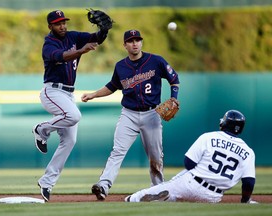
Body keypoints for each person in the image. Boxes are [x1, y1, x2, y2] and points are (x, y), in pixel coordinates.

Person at [81, 29, 180, 200]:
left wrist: (174, 98)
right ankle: (103, 185)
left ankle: (157, 189)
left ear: (141, 42)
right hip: (129, 114)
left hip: (151, 114)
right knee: (117, 151)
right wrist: (93, 94)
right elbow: (112, 86)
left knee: (155, 157)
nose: (135, 43)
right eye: (131, 41)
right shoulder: (121, 66)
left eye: (137, 40)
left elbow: (174, 79)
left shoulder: (155, 61)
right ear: (125, 45)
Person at [32, 10, 110, 202]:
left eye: (64, 22)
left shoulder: (73, 35)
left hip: (68, 93)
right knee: (74, 116)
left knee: (69, 141)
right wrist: (81, 51)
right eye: (58, 23)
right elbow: (63, 56)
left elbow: (96, 39)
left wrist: (104, 29)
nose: (62, 26)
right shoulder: (48, 44)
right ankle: (41, 129)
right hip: (52, 91)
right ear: (50, 26)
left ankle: (46, 182)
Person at [125, 110, 256, 203]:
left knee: (167, 188)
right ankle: (167, 196)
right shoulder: (248, 152)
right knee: (176, 194)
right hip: (213, 197)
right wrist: (245, 201)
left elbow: (188, 163)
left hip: (191, 184)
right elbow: (249, 182)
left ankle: (133, 199)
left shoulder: (209, 137)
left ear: (225, 123)